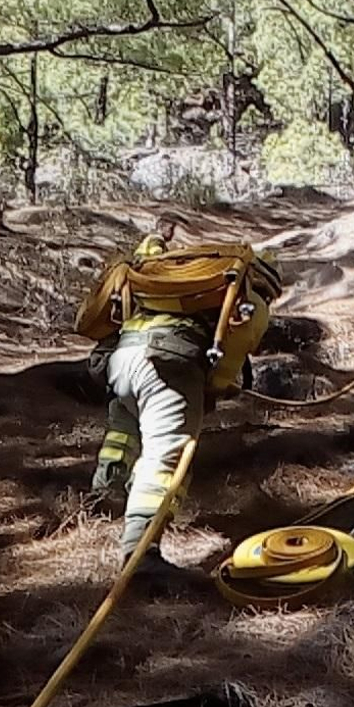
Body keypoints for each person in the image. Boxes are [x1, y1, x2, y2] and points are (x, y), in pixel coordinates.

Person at [88, 225, 274, 577]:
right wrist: (212, 391)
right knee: (165, 455)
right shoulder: (250, 299)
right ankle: (140, 555)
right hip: (170, 365)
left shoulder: (176, 282)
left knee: (127, 426)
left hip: (122, 358)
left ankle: (106, 486)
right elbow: (227, 365)